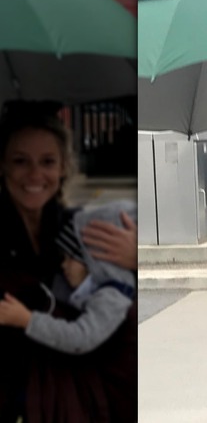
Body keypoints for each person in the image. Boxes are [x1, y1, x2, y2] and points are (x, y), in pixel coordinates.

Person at [0, 101, 138, 421]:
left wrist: (133, 259)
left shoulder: (82, 230)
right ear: (3, 164)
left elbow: (117, 306)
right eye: (21, 161)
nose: (35, 174)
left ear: (63, 166)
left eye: (47, 161)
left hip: (81, 392)